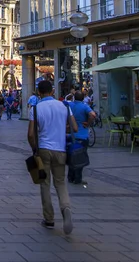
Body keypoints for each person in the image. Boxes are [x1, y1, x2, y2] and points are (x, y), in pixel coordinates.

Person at [27, 80, 77, 234]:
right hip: (60, 149)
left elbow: (30, 134)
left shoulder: (36, 108)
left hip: (43, 149)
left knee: (45, 184)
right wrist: (62, 127)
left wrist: (34, 148)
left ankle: (49, 219)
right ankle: (66, 208)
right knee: (60, 183)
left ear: (39, 93)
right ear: (53, 91)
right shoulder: (64, 106)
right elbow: (74, 127)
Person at [68, 91, 95, 185]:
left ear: (74, 97)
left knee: (71, 156)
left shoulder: (70, 105)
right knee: (79, 158)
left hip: (70, 135)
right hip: (82, 136)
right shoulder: (84, 106)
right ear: (83, 98)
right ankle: (78, 178)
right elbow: (92, 114)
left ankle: (70, 177)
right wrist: (88, 123)